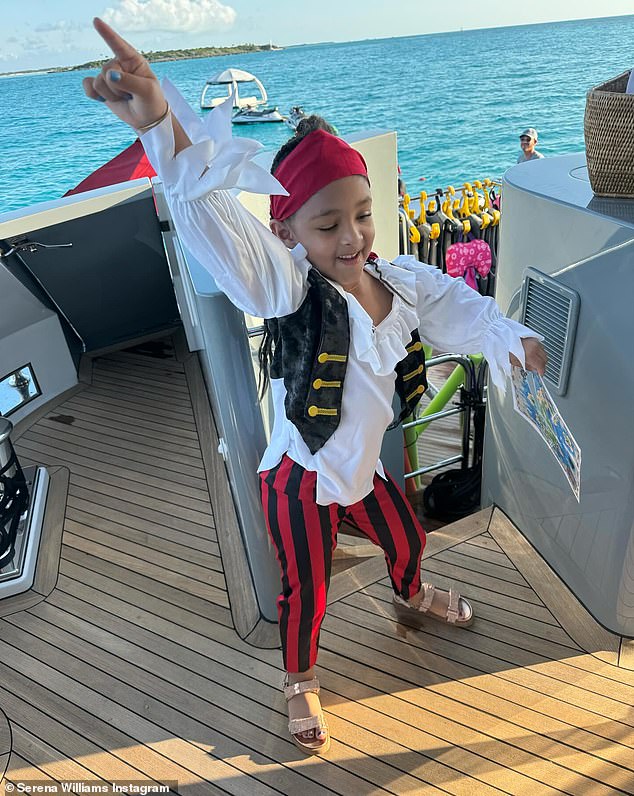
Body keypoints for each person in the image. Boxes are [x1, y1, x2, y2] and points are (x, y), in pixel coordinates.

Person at [84, 18, 547, 758]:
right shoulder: (291, 287)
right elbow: (225, 237)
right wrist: (166, 127)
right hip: (301, 478)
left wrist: (511, 338)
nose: (355, 236)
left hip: (361, 471)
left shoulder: (399, 282)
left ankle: (411, 591)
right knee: (307, 591)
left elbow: (463, 308)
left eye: (362, 215)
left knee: (408, 536)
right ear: (291, 231)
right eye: (328, 223)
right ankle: (299, 676)